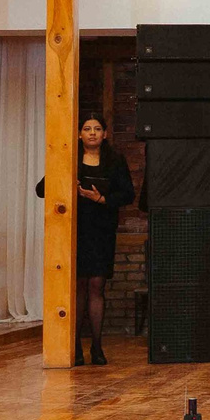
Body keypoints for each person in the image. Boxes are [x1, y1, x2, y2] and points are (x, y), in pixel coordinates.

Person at [36, 115, 133, 365]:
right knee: (78, 286)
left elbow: (128, 194)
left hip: (102, 230)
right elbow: (41, 190)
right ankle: (75, 347)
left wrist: (100, 198)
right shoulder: (68, 158)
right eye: (87, 129)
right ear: (79, 134)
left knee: (96, 286)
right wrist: (65, 182)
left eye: (97, 129)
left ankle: (97, 347)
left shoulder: (115, 160)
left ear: (105, 134)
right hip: (74, 229)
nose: (92, 133)